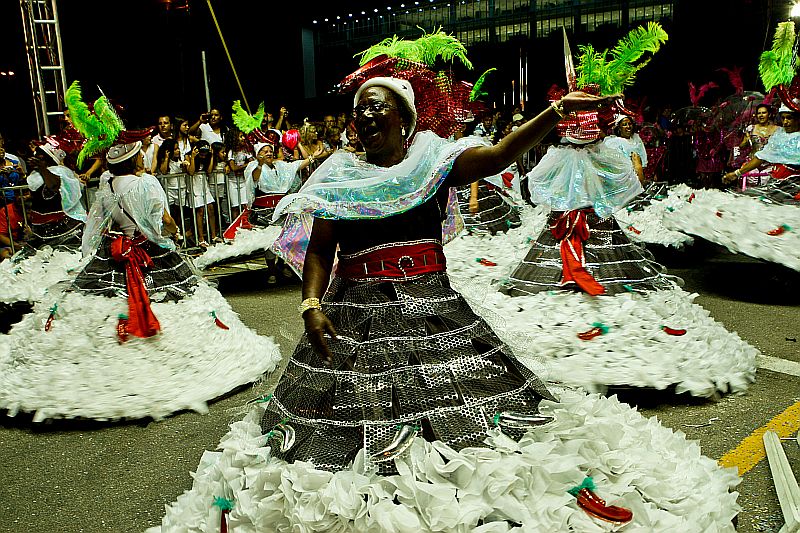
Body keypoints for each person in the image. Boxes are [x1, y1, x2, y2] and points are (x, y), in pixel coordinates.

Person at [0, 140, 282, 421]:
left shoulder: (107, 183)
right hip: (147, 251)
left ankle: (108, 375)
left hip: (114, 251)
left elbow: (97, 222)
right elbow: (163, 221)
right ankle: (161, 369)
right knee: (167, 305)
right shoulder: (145, 183)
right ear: (135, 161)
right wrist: (172, 234)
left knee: (108, 311)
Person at [24, 143, 86, 250]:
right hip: (40, 227)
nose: (36, 159)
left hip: (60, 227)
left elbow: (53, 186)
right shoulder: (35, 175)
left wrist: (43, 168)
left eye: (41, 158)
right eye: (36, 157)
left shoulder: (60, 172)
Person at [183, 140, 217, 246]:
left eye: (205, 152)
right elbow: (191, 172)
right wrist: (193, 157)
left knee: (211, 208)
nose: (203, 154)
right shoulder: (188, 156)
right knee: (200, 211)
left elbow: (209, 171)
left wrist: (211, 156)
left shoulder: (207, 157)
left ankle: (214, 236)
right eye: (201, 152)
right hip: (194, 186)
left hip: (204, 185)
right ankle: (201, 238)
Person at [604, 114, 648, 184]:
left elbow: (643, 158)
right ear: (619, 128)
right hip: (623, 180)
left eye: (629, 124)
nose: (628, 126)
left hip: (638, 177)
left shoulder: (636, 139)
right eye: (624, 124)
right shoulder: (614, 142)